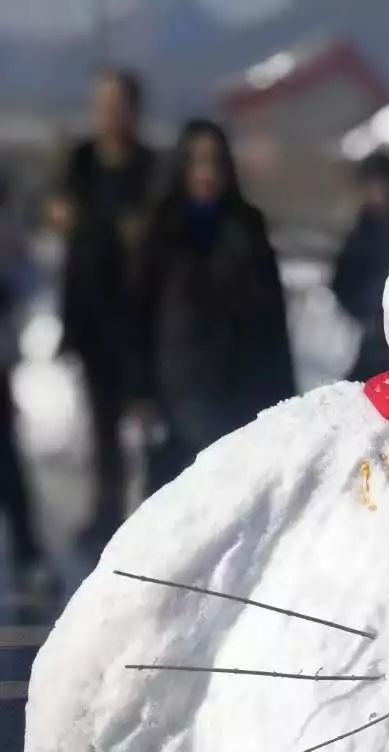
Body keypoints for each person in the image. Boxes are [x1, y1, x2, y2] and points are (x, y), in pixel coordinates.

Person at [134, 120, 295, 481]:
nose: (206, 173)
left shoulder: (247, 227)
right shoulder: (162, 228)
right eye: (197, 162)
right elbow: (139, 314)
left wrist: (283, 396)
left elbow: (271, 317)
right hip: (175, 386)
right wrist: (139, 390)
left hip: (239, 384)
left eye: (215, 163)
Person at [52, 69, 156, 545]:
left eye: (117, 102)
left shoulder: (149, 168)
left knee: (148, 427)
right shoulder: (80, 162)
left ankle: (153, 519)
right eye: (101, 102)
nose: (108, 112)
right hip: (91, 315)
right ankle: (107, 515)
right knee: (102, 429)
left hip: (139, 318)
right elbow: (59, 215)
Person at [331, 151, 389, 384]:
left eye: (381, 183)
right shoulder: (361, 231)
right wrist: (366, 314)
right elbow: (342, 281)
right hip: (373, 331)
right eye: (371, 184)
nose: (377, 191)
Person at [0, 174, 44, 579]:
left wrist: (8, 289)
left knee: (7, 457)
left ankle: (27, 550)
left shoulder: (7, 221)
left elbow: (29, 276)